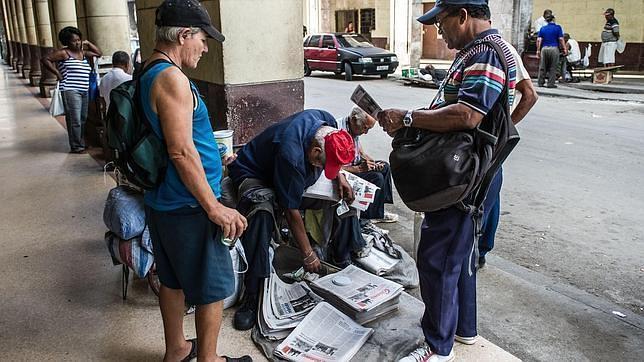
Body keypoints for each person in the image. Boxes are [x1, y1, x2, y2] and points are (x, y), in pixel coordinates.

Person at [378, 1, 520, 361]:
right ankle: (464, 330)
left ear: (462, 16)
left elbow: (469, 115)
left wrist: (410, 118)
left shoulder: (485, 55)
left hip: (462, 177)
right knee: (459, 255)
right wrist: (498, 144)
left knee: (438, 258)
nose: (438, 31)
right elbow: (526, 95)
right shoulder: (491, 49)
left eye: (441, 22)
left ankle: (437, 348)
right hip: (471, 170)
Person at [140, 1, 250, 361]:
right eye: (202, 39)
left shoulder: (150, 70)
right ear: (184, 35)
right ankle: (209, 358)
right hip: (188, 204)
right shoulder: (172, 78)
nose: (205, 48)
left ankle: (177, 351)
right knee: (212, 288)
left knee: (171, 281)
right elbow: (181, 152)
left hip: (163, 200)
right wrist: (215, 207)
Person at [228, 109, 364, 331]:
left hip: (295, 175)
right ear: (315, 150)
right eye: (324, 164)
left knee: (343, 198)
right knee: (261, 214)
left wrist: (339, 175)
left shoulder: (326, 121)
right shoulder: (290, 156)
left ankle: (342, 257)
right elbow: (290, 210)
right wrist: (307, 253)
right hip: (255, 173)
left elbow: (327, 161)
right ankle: (253, 293)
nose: (326, 170)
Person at [477, 43, 538, 269]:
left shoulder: (494, 51)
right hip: (490, 142)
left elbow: (530, 95)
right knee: (491, 191)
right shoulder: (500, 50)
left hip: (485, 143)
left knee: (484, 194)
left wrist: (505, 128)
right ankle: (481, 250)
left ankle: (478, 250)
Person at [41, 26, 102, 153]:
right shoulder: (64, 53)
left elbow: (98, 53)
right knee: (74, 118)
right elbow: (45, 59)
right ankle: (76, 146)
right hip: (70, 89)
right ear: (67, 42)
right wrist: (57, 73)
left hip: (84, 89)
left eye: (79, 40)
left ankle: (80, 142)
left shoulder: (83, 53)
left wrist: (88, 43)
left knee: (83, 117)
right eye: (74, 41)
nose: (77, 43)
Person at [338, 107, 399, 223]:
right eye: (365, 128)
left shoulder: (353, 128)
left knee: (384, 167)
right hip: (342, 175)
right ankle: (369, 217)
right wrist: (358, 169)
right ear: (354, 119)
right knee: (376, 178)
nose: (365, 132)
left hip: (354, 166)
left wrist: (371, 162)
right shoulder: (338, 132)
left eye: (368, 129)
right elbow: (333, 168)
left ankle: (378, 209)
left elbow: (360, 152)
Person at [536, 14, 567, 88]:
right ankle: (550, 84)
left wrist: (538, 50)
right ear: (553, 20)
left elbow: (539, 40)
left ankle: (540, 82)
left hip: (544, 49)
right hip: (554, 48)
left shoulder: (543, 28)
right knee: (553, 66)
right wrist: (564, 48)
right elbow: (561, 39)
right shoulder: (558, 28)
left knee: (542, 66)